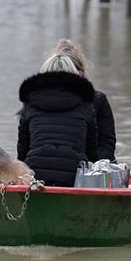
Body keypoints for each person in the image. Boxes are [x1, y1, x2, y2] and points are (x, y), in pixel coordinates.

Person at [16, 39, 117, 187]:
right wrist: (94, 172)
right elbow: (96, 147)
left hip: (35, 174)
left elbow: (22, 148)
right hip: (75, 175)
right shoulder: (86, 104)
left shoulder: (30, 102)